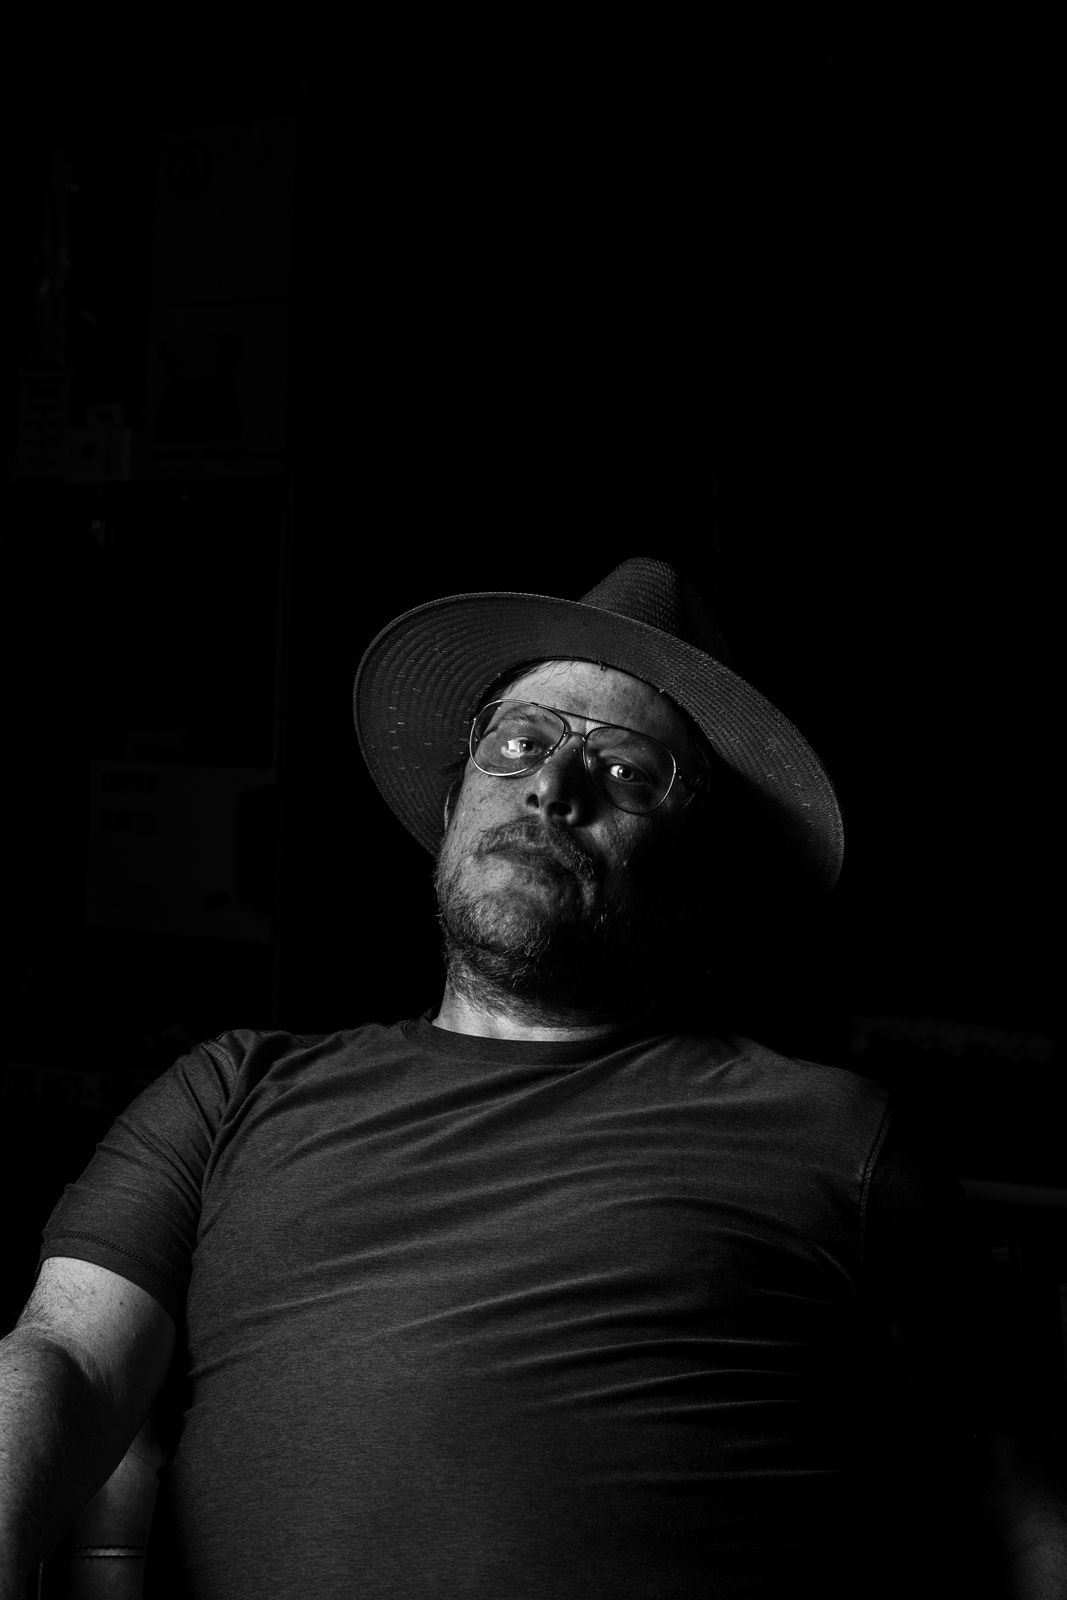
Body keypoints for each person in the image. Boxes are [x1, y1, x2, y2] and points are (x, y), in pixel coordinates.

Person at [1, 556, 1064, 1599]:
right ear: (455, 800)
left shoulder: (835, 1135)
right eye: (518, 742)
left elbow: (1015, 1515)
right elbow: (68, 1360)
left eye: (625, 773)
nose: (552, 787)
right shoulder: (230, 1093)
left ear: (698, 871)